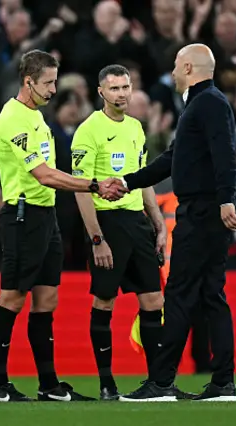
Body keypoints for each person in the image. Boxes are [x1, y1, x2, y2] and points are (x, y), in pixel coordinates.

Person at [0, 49, 126, 403]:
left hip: (44, 215)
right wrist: (94, 185)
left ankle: (48, 385)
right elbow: (44, 175)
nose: (53, 90)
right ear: (28, 81)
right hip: (22, 215)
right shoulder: (15, 118)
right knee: (13, 296)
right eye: (48, 83)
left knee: (47, 298)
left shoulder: (36, 117)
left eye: (54, 82)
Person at [118, 44, 236, 402]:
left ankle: (161, 382)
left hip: (202, 213)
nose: (171, 72)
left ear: (188, 67)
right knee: (209, 295)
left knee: (180, 293)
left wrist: (225, 199)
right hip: (205, 210)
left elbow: (225, 155)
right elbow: (174, 158)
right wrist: (129, 181)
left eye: (175, 65)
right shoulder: (203, 104)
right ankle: (222, 383)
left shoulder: (208, 103)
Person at [71, 64, 166, 400]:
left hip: (137, 222)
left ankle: (158, 383)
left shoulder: (136, 128)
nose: (122, 94)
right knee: (105, 301)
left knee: (154, 299)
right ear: (101, 92)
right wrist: (96, 238)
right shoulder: (88, 131)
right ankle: (107, 382)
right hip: (107, 222)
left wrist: (158, 224)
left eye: (126, 88)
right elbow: (82, 189)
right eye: (114, 89)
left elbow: (143, 179)